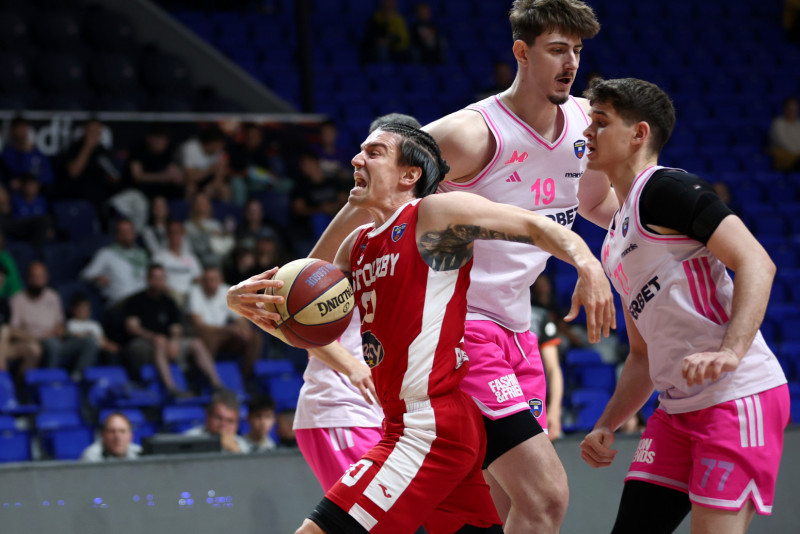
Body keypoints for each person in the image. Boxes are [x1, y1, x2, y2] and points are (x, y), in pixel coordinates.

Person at [308, 2, 615, 531]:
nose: (570, 63)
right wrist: (313, 265)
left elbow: (596, 202)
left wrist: (660, 234)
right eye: (556, 49)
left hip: (518, 331)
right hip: (465, 332)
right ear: (521, 52)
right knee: (545, 499)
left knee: (499, 511)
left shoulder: (586, 123)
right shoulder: (470, 134)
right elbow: (380, 185)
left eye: (577, 50)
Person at [228, 123, 613, 534]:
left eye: (374, 153)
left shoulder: (434, 215)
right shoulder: (355, 245)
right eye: (360, 151)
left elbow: (536, 226)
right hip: (403, 421)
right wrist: (243, 305)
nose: (356, 160)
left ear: (409, 174)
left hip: (428, 422)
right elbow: (306, 329)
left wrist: (587, 264)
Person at [577, 77, 789, 534]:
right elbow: (642, 354)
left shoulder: (667, 188)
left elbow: (757, 262)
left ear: (639, 133)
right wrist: (608, 423)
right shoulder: (614, 238)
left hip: (736, 396)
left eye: (601, 122)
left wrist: (730, 351)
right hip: (675, 412)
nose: (588, 132)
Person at [123, 263, 224, 398]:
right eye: (155, 278)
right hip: (142, 344)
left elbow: (175, 328)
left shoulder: (169, 302)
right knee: (160, 341)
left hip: (166, 343)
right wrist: (153, 337)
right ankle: (170, 388)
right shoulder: (136, 300)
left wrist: (174, 341)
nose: (159, 281)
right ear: (148, 279)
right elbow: (132, 327)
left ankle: (216, 385)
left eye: (162, 278)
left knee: (196, 343)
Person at [11, 261, 98, 377]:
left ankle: (76, 377)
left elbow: (60, 321)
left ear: (46, 278)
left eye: (42, 276)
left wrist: (60, 329)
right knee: (53, 344)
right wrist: (35, 337)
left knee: (90, 342)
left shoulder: (53, 296)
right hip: (35, 341)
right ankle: (51, 381)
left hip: (57, 340)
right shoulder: (18, 299)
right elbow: (13, 330)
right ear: (28, 279)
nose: (39, 280)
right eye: (35, 277)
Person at [186, 264, 263, 377]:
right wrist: (228, 330)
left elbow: (240, 318)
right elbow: (198, 325)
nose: (211, 284)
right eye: (207, 280)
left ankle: (245, 378)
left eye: (214, 280)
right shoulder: (195, 292)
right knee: (209, 336)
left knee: (255, 337)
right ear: (202, 281)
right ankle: (205, 378)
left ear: (221, 280)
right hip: (203, 334)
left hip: (223, 335)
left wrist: (245, 330)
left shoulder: (227, 291)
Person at [81, 218, 148, 305]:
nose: (127, 235)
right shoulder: (106, 254)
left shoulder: (141, 254)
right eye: (123, 232)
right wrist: (97, 278)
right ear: (116, 235)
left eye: (129, 231)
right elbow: (86, 274)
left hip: (144, 301)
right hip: (121, 302)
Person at [529, 278, 564, 440]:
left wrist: (555, 410)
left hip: (534, 399)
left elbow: (553, 368)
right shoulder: (485, 316)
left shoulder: (539, 316)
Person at [0, 264, 42, 381]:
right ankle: (4, 382)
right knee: (4, 332)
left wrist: (32, 337)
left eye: (2, 275)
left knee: (33, 349)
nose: (1, 278)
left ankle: (20, 386)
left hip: (4, 345)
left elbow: (10, 328)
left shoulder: (4, 303)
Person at [127, 123, 185, 200]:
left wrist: (176, 175)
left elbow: (174, 170)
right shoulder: (138, 149)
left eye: (163, 140)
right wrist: (162, 177)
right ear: (149, 138)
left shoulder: (169, 150)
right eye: (158, 140)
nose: (161, 143)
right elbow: (137, 176)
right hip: (137, 190)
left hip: (161, 189)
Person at [151, 219, 203, 307]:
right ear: (167, 235)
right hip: (168, 295)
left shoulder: (191, 257)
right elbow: (155, 280)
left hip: (189, 296)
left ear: (182, 235)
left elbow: (198, 277)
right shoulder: (159, 257)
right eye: (172, 232)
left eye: (178, 232)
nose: (175, 235)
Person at [0, 116, 54, 193]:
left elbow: (49, 177)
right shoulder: (7, 154)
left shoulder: (38, 154)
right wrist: (25, 152)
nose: (21, 132)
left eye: (24, 128)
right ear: (12, 130)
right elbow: (16, 172)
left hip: (38, 194)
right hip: (15, 194)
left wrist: (35, 183)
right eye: (18, 128)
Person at [184, 390, 248, 454]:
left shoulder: (243, 446)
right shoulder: (189, 440)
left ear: (237, 424)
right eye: (219, 418)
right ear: (208, 416)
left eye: (230, 421)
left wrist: (235, 451)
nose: (223, 424)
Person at [178, 125, 230, 201]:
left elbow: (220, 176)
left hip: (208, 182)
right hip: (188, 180)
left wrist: (211, 186)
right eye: (219, 144)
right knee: (190, 188)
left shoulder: (219, 152)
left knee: (225, 190)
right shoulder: (191, 148)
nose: (221, 147)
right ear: (212, 142)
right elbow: (190, 177)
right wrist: (209, 170)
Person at [66, 292, 120, 362]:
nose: (84, 311)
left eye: (86, 308)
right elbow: (78, 337)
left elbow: (103, 339)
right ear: (73, 310)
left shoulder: (95, 324)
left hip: (101, 349)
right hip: (85, 349)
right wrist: (99, 343)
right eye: (81, 308)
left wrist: (111, 346)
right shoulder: (71, 323)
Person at [768, 96, 800, 172]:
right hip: (785, 157)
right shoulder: (778, 123)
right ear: (785, 109)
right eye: (790, 109)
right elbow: (783, 142)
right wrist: (797, 151)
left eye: (794, 109)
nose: (792, 111)